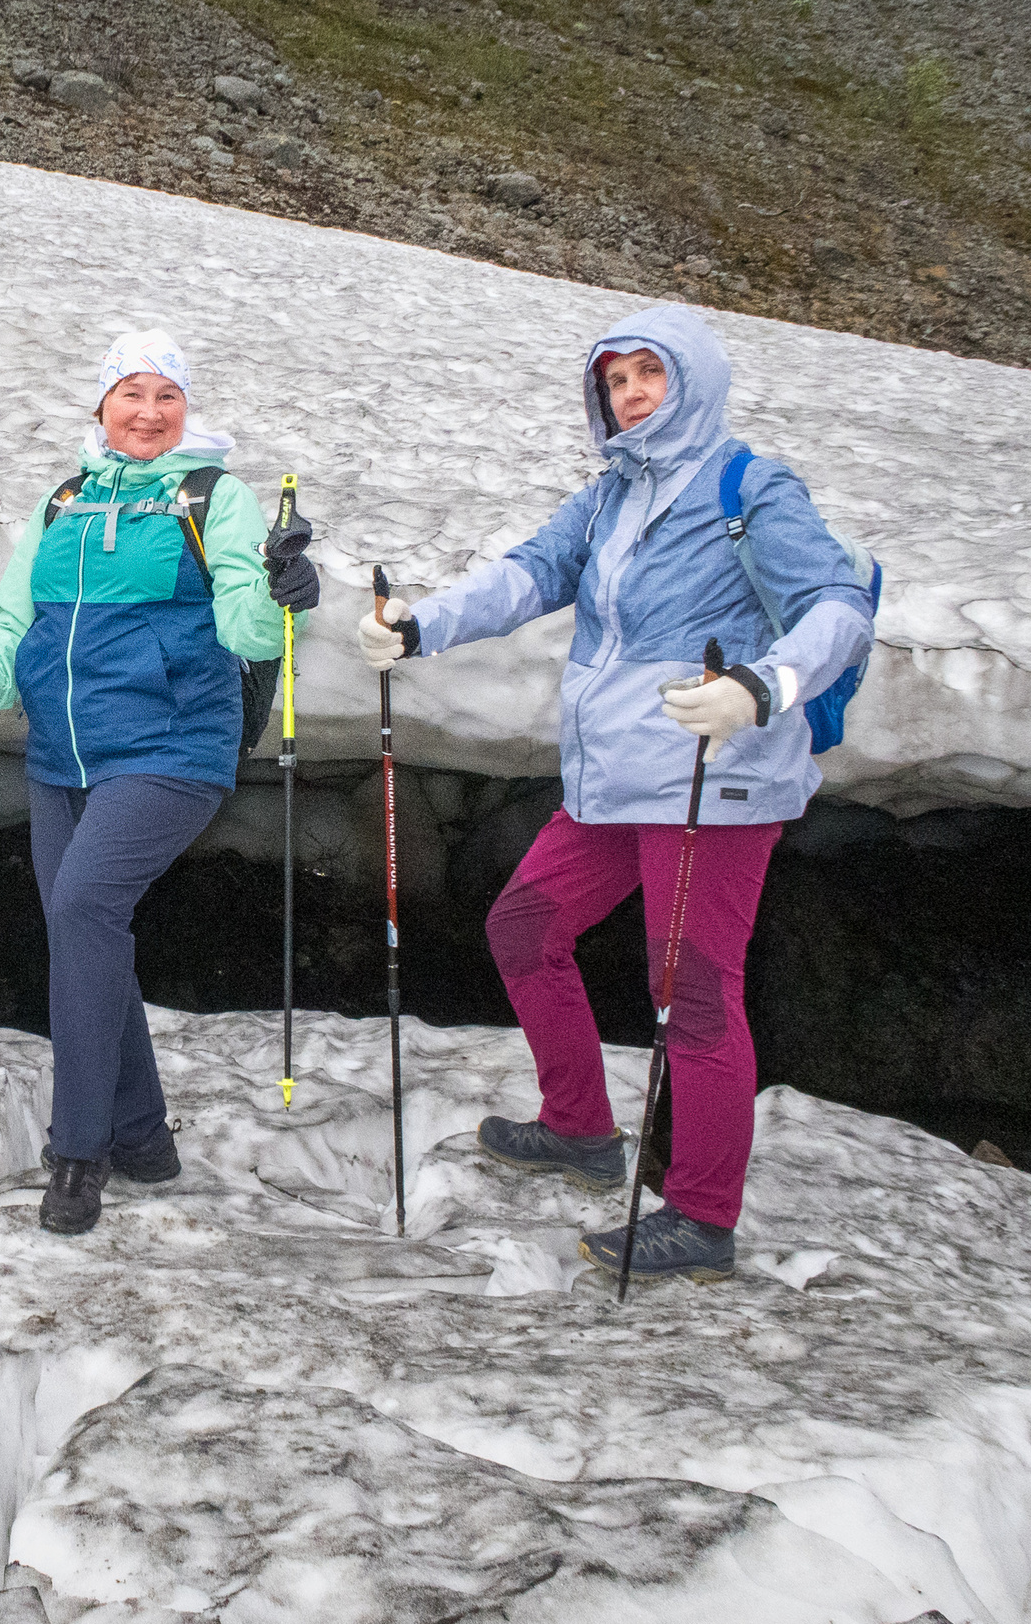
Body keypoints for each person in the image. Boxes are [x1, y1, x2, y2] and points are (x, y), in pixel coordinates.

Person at [359, 304, 875, 1283]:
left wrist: (758, 685)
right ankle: (580, 1128)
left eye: (650, 374)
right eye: (615, 379)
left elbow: (835, 610)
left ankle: (701, 1216)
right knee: (521, 926)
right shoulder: (607, 499)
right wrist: (417, 626)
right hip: (617, 778)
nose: (631, 394)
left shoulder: (747, 487)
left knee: (692, 991)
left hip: (710, 779)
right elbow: (524, 578)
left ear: (693, 382)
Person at [0, 331, 319, 1234]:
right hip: (61, 753)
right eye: (130, 393)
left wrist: (278, 585)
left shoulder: (212, 496)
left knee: (82, 912)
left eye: (166, 395)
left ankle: (80, 1150)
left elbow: (247, 629)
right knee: (83, 934)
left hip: (174, 747)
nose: (148, 412)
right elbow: (18, 620)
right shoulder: (62, 500)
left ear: (187, 406)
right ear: (100, 404)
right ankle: (145, 1135)